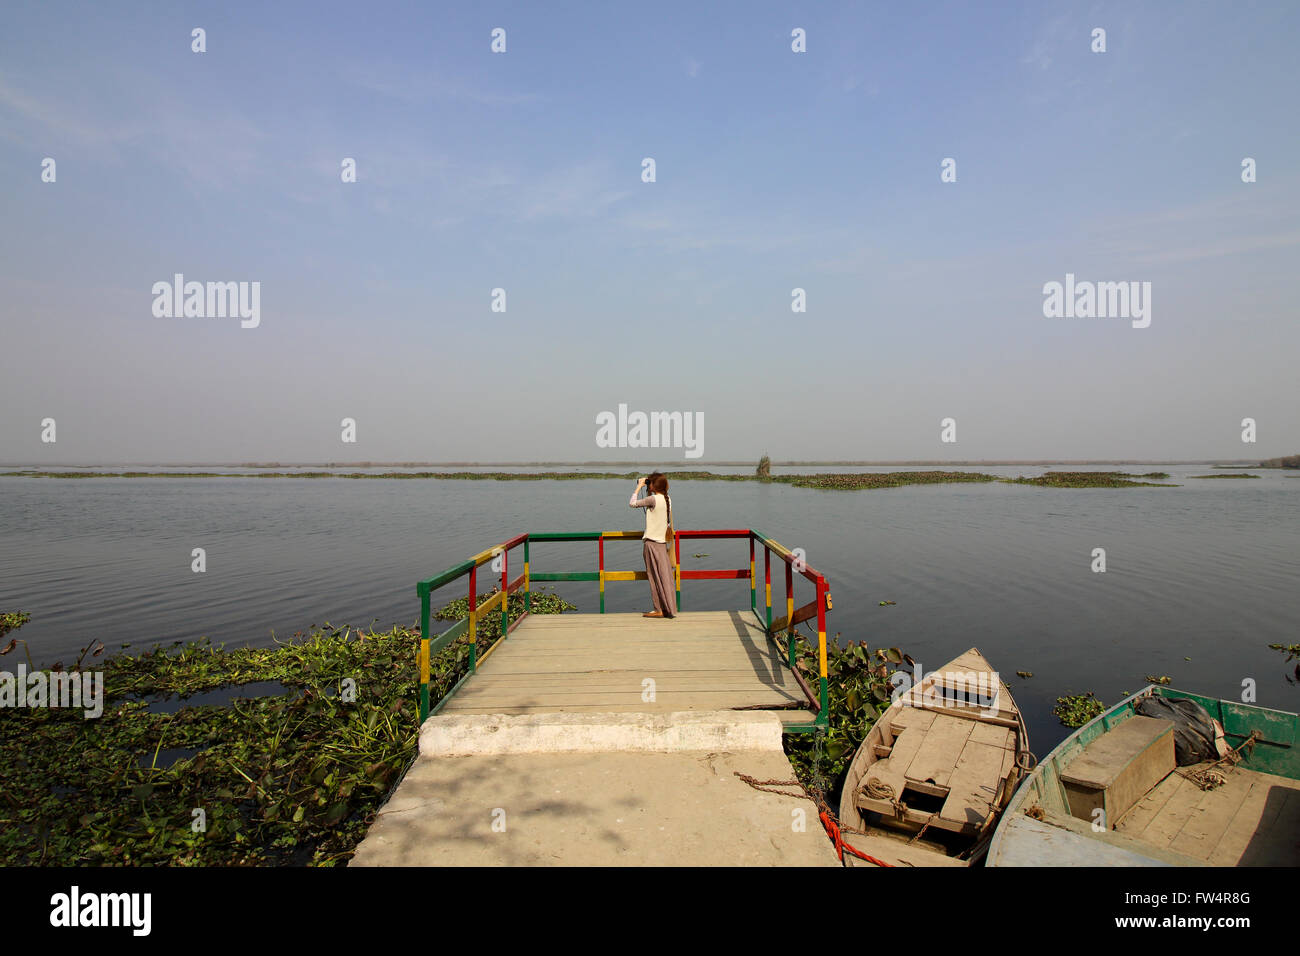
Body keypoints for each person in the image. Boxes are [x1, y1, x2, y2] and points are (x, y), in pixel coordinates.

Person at [629, 472, 675, 618]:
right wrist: (647, 486)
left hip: (651, 544)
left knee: (654, 577)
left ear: (654, 485)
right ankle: (668, 608)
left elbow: (632, 503)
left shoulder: (653, 499)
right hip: (662, 545)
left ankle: (659, 609)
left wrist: (638, 487)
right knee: (664, 577)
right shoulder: (667, 499)